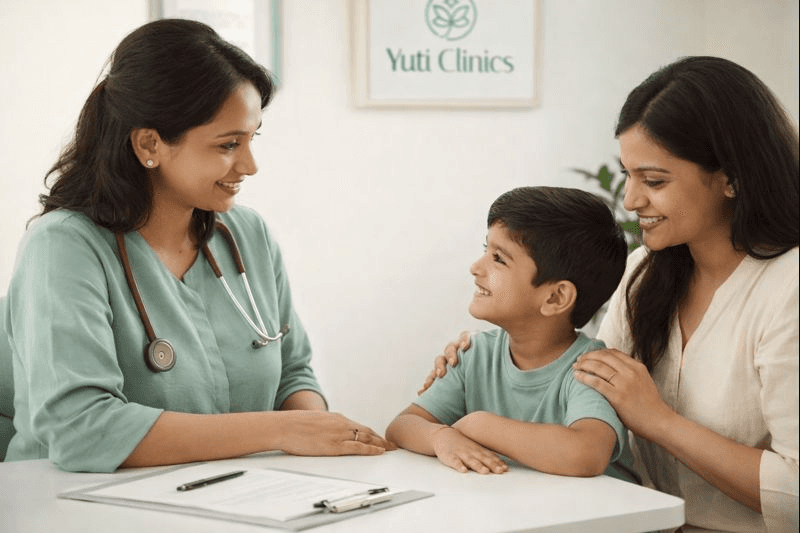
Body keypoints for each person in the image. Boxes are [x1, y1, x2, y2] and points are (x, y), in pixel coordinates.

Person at [422, 57, 798, 532]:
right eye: (629, 175)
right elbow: (585, 387)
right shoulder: (645, 271)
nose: (630, 200)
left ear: (731, 178)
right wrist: (487, 356)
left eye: (654, 181)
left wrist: (658, 421)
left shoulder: (788, 289)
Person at [1, 19, 393, 473]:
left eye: (251, 139)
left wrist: (324, 449)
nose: (250, 165)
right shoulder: (63, 248)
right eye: (228, 144)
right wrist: (281, 432)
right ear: (150, 143)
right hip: (76, 506)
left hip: (237, 494)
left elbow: (292, 375)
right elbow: (82, 431)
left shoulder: (246, 235)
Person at [386, 186, 639, 482]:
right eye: (485, 251)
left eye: (499, 259)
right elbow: (402, 426)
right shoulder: (474, 355)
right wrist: (442, 437)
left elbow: (586, 453)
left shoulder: (590, 368)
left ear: (555, 298)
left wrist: (479, 426)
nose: (475, 267)